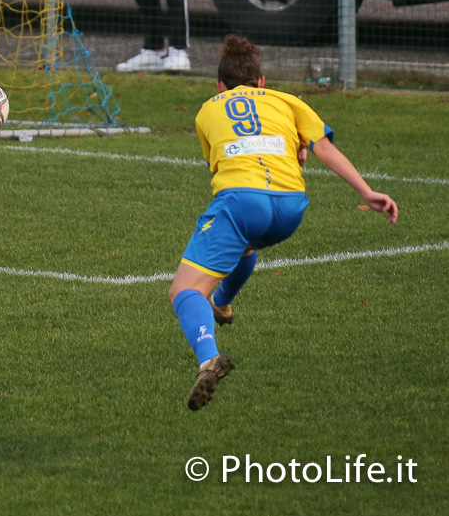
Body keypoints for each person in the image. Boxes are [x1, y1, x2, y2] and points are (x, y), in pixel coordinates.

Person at [169, 35, 398, 411]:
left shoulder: (206, 110)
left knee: (185, 291)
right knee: (245, 242)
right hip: (291, 208)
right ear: (262, 82)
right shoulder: (289, 100)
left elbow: (220, 162)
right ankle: (223, 304)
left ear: (219, 86)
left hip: (242, 200)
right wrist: (366, 192)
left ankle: (208, 359)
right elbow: (320, 146)